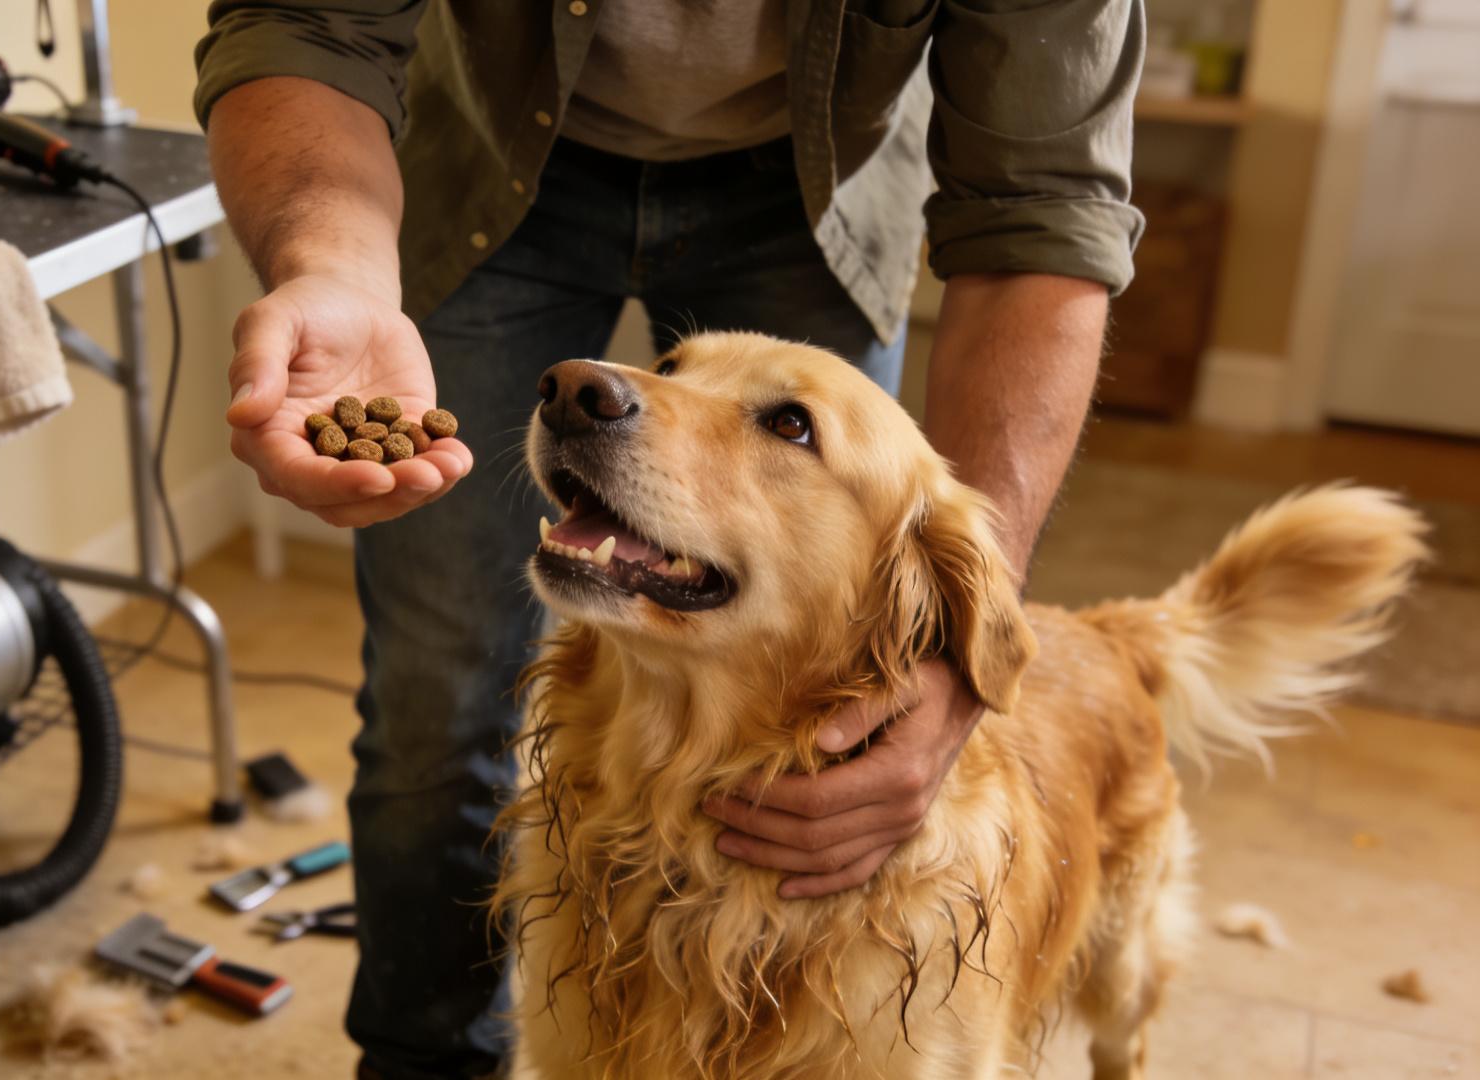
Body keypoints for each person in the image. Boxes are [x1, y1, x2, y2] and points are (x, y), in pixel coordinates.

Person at [194, 3, 1144, 1077]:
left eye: (784, 425)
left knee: (840, 671)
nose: (610, 397)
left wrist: (967, 639)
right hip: (486, 147)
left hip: (815, 172)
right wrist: (335, 272)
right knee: (437, 691)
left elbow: (1045, 202)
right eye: (675, 374)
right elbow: (304, 18)